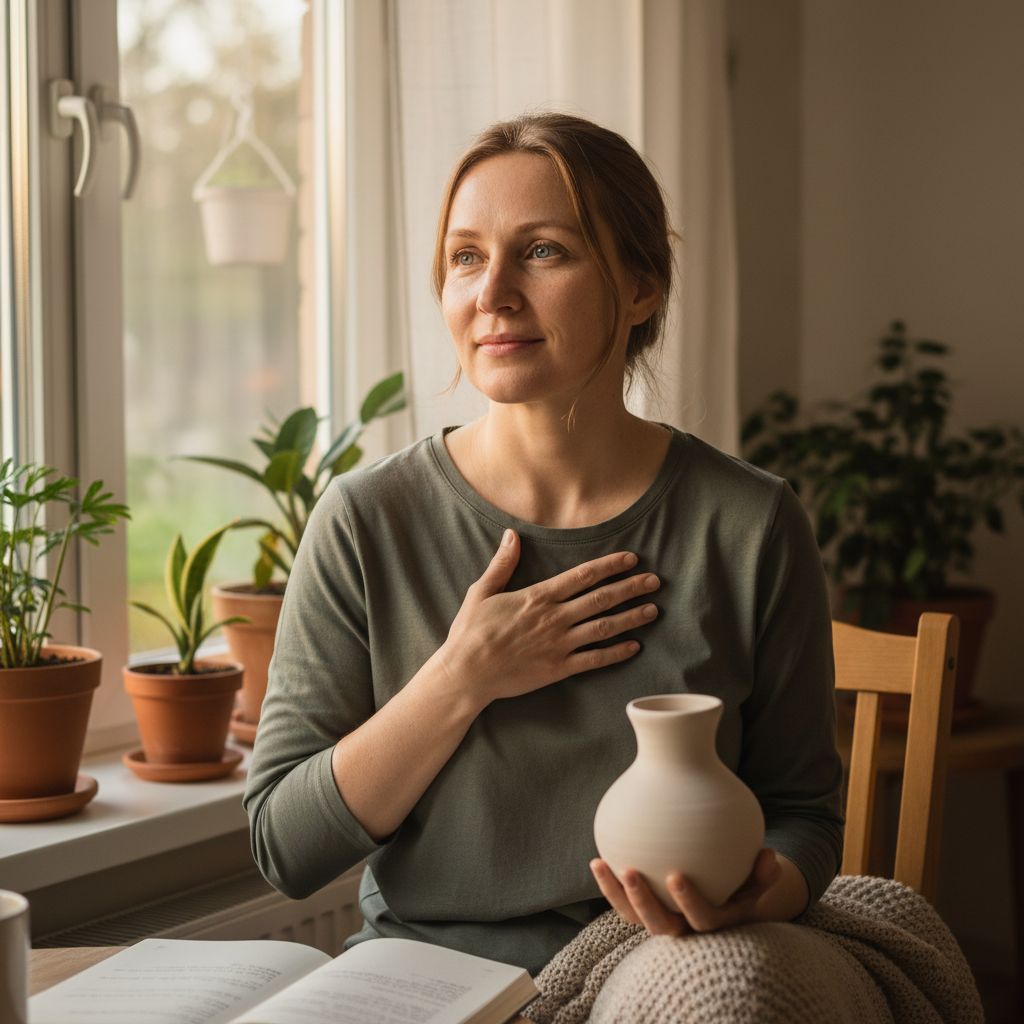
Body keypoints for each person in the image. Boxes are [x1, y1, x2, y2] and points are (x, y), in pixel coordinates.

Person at [244, 112, 843, 979]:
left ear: (641, 288)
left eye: (543, 251)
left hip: (663, 968)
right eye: (465, 257)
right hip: (422, 978)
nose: (492, 294)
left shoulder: (750, 525)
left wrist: (758, 894)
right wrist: (462, 678)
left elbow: (804, 818)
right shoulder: (365, 521)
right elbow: (285, 847)